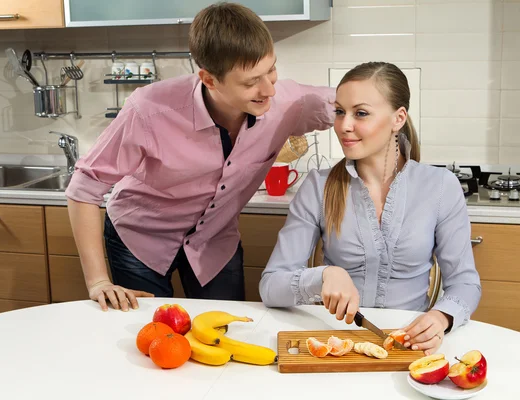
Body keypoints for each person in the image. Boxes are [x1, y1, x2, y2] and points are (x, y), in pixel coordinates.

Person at [64, 2, 336, 311]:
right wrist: (98, 282)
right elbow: (84, 187)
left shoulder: (288, 102)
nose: (268, 89)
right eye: (250, 82)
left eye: (271, 70)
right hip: (139, 239)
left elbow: (354, 106)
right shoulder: (150, 108)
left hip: (215, 242)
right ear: (209, 79)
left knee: (225, 329)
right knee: (147, 335)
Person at [259, 62, 481, 355]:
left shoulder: (440, 186)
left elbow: (465, 282)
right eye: (340, 112)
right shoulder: (318, 186)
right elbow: (271, 286)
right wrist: (323, 275)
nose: (344, 125)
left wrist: (441, 318)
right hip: (337, 344)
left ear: (398, 118)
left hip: (409, 346)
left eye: (360, 113)